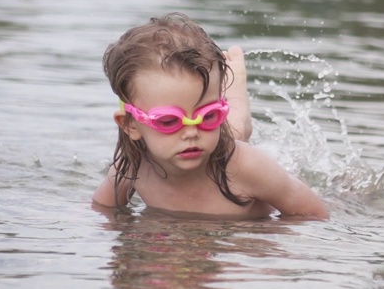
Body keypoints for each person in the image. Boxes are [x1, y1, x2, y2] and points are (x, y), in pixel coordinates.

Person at [92, 13, 329, 220]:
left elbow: (314, 214)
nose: (191, 132)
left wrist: (259, 242)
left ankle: (233, 87)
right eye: (169, 121)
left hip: (229, 155)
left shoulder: (246, 167)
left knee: (235, 135)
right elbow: (103, 209)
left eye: (209, 115)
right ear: (131, 125)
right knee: (230, 131)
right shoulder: (133, 165)